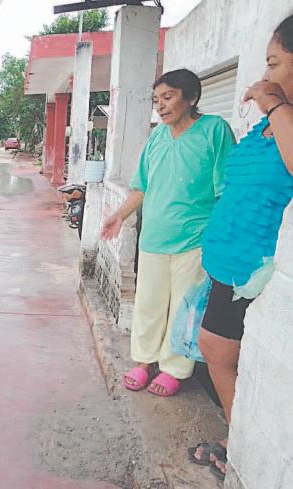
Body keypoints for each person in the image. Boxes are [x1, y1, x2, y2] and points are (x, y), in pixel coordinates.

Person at [188, 15, 293, 482]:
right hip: (226, 263)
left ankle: (239, 441)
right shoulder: (270, 124)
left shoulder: (283, 118)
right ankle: (240, 435)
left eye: (274, 62)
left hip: (253, 268)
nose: (265, 74)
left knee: (216, 349)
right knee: (221, 351)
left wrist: (276, 105)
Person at [100, 69, 235, 397]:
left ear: (191, 98)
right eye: (156, 100)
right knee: (149, 304)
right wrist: (119, 215)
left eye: (168, 97)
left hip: (194, 240)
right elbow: (141, 187)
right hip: (154, 238)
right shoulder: (157, 137)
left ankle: (174, 368)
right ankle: (144, 361)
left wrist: (220, 237)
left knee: (183, 309)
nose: (160, 106)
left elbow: (226, 189)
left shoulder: (214, 131)